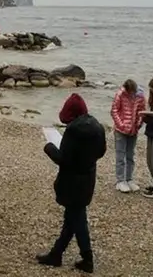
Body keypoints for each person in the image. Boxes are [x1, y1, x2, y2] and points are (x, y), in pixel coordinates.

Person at [36, 93, 106, 274]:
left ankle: (87, 258)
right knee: (73, 218)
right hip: (88, 178)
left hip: (71, 181)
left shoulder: (73, 130)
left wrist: (49, 147)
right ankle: (56, 254)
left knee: (77, 220)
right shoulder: (97, 126)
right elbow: (101, 152)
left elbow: (64, 159)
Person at [110, 79, 146, 193]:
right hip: (120, 130)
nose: (130, 93)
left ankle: (129, 179)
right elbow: (114, 110)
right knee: (120, 156)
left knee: (130, 156)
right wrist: (121, 124)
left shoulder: (140, 96)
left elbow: (142, 111)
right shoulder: (120, 94)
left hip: (133, 131)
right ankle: (120, 180)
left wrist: (139, 124)